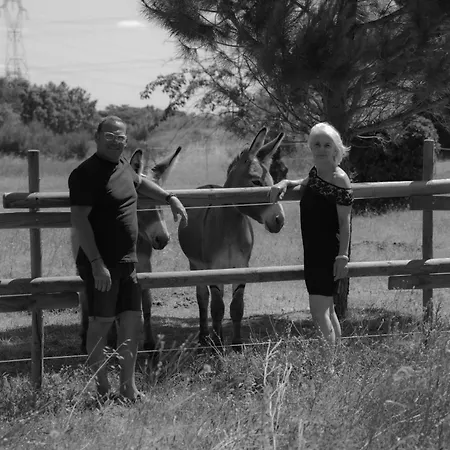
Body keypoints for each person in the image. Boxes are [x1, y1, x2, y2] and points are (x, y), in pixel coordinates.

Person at [68, 115, 188, 402]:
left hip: (127, 262)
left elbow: (141, 183)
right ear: (97, 137)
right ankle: (102, 387)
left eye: (120, 137)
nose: (115, 141)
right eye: (109, 136)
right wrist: (96, 264)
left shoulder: (123, 167)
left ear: (125, 141)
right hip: (101, 264)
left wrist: (169, 197)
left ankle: (128, 387)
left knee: (132, 323)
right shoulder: (84, 174)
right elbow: (80, 221)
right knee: (100, 324)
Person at [269, 122, 353, 368]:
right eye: (317, 144)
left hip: (328, 253)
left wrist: (342, 257)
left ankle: (328, 369)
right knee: (328, 310)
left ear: (336, 148)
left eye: (327, 145)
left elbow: (345, 222)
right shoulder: (316, 173)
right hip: (313, 250)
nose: (321, 149)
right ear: (311, 147)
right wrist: (285, 183)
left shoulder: (340, 179)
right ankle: (336, 364)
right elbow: (304, 182)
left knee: (319, 313)